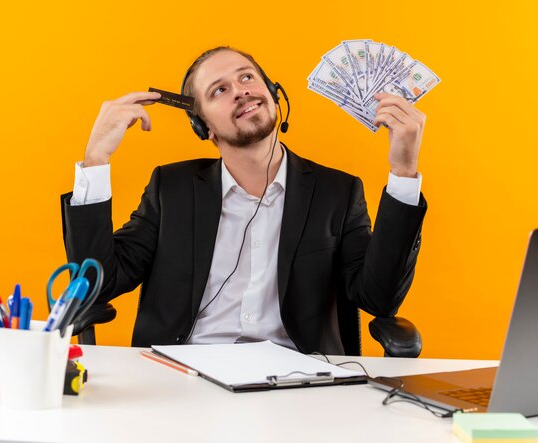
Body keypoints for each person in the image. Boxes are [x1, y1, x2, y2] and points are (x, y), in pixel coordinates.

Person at [61, 46, 427, 355]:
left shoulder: (337, 192)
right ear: (202, 126)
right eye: (218, 90)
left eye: (247, 77)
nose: (240, 91)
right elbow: (99, 283)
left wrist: (404, 171)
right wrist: (95, 160)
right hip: (182, 380)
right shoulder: (171, 189)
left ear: (272, 92)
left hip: (298, 383)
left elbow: (379, 298)